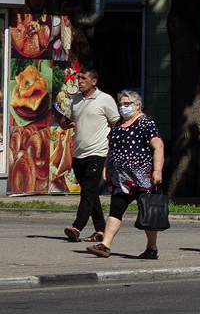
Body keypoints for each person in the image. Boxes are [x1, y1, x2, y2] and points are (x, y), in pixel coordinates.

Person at [86, 91, 164, 258]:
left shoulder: (145, 122)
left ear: (137, 106)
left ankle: (152, 249)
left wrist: (157, 171)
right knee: (115, 211)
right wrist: (106, 165)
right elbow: (111, 147)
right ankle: (105, 245)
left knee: (147, 213)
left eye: (127, 104)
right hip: (120, 179)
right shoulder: (118, 125)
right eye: (121, 104)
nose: (123, 107)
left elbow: (158, 146)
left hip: (142, 178)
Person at [60, 68, 119, 243]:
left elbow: (116, 123)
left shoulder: (105, 99)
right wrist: (65, 123)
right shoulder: (75, 100)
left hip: (97, 152)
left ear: (94, 81)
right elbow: (65, 122)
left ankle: (76, 227)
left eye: (83, 78)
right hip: (78, 153)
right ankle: (100, 230)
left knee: (87, 191)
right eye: (79, 78)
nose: (79, 81)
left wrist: (113, 149)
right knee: (90, 193)